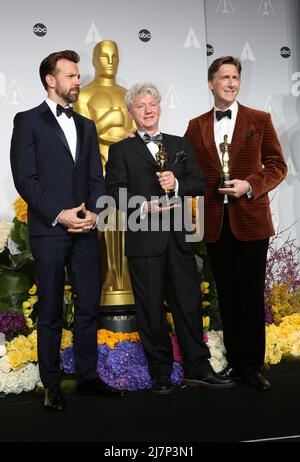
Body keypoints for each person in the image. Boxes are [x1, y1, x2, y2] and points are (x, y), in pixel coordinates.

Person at [10, 50, 123, 411]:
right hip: (51, 229)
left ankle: (88, 377)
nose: (78, 81)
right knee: (52, 309)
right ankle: (52, 383)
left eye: (78, 75)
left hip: (86, 228)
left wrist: (93, 211)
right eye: (72, 76)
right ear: (51, 80)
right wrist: (61, 214)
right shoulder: (27, 120)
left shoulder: (87, 125)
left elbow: (95, 176)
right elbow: (25, 179)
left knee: (89, 304)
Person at [105, 82, 235, 395]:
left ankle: (199, 369)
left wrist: (176, 183)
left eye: (152, 104)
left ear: (160, 108)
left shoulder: (180, 144)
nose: (148, 110)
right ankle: (160, 373)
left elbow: (199, 182)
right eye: (141, 106)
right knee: (150, 310)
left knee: (189, 306)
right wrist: (141, 204)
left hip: (179, 239)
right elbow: (112, 194)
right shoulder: (121, 149)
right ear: (130, 113)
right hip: (144, 240)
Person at [185, 56, 287, 391]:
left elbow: (277, 165)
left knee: (250, 297)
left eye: (236, 77)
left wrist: (251, 185)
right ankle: (234, 361)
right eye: (224, 77)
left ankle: (252, 366)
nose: (231, 83)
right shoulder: (196, 125)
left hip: (251, 220)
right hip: (216, 223)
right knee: (227, 297)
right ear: (211, 82)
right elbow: (184, 169)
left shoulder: (259, 119)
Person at [74, 40, 135, 300]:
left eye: (114, 56)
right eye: (104, 56)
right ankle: (107, 275)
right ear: (95, 60)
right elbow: (81, 133)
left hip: (125, 167)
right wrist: (112, 122)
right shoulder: (84, 94)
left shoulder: (128, 93)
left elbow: (134, 133)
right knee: (102, 222)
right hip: (96, 164)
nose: (110, 62)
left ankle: (127, 276)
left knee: (127, 220)